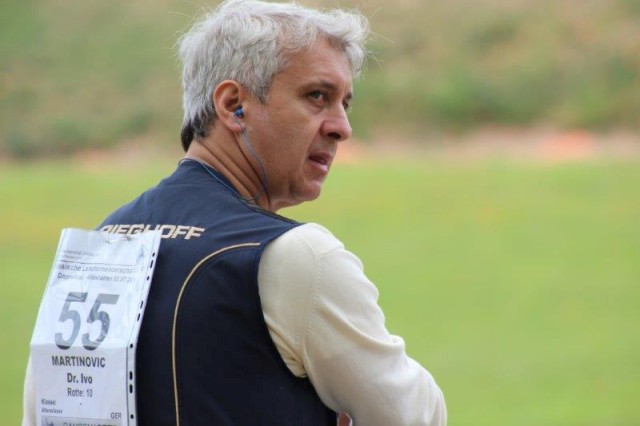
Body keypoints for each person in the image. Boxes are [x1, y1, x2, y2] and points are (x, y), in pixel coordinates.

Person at [23, 0, 447, 424]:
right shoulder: (297, 257)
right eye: (317, 96)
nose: (342, 127)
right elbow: (415, 416)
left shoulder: (98, 245)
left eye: (344, 104)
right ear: (232, 105)